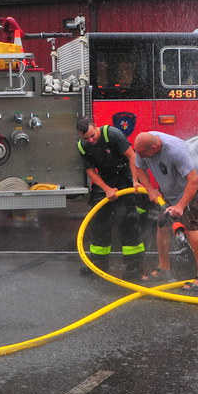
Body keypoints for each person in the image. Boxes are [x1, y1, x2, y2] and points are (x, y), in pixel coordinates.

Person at [132, 131, 198, 290]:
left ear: (154, 148)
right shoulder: (142, 149)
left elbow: (194, 181)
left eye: (143, 155)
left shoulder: (175, 150)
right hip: (172, 190)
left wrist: (180, 206)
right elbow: (139, 168)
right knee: (162, 224)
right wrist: (150, 190)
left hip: (196, 188)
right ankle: (164, 268)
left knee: (190, 228)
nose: (141, 157)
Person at [75, 117, 145, 280]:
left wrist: (135, 181)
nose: (91, 140)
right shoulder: (83, 146)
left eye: (92, 135)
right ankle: (97, 265)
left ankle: (133, 267)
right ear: (80, 136)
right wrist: (106, 189)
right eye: (86, 138)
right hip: (104, 180)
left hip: (123, 176)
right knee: (98, 222)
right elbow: (91, 172)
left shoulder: (112, 134)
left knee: (127, 219)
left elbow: (132, 156)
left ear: (95, 127)